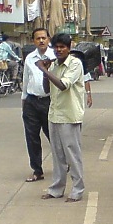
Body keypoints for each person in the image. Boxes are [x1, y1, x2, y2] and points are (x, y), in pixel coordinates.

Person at [36, 33, 86, 203]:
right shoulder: (55, 65)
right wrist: (46, 72)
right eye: (56, 47)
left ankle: (77, 190)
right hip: (54, 115)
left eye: (62, 47)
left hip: (69, 116)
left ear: (69, 47)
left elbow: (63, 85)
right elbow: (47, 89)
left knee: (72, 155)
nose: (58, 50)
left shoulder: (75, 64)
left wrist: (43, 69)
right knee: (57, 156)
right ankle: (56, 189)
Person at [21, 27, 56, 182]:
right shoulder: (30, 58)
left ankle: (63, 163)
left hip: (50, 102)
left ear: (48, 39)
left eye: (44, 38)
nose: (41, 40)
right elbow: (25, 80)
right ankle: (37, 170)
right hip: (31, 102)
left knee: (54, 136)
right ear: (33, 41)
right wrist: (24, 101)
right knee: (32, 137)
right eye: (38, 38)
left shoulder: (55, 56)